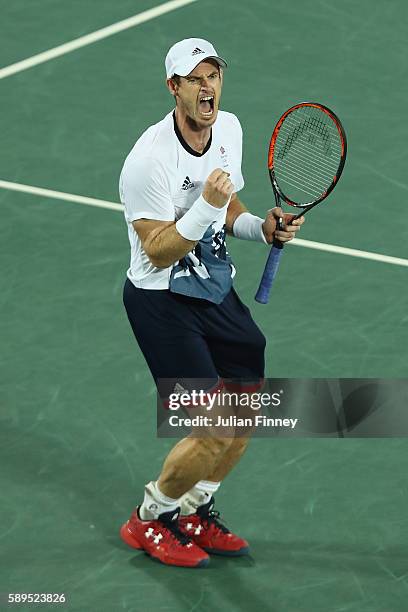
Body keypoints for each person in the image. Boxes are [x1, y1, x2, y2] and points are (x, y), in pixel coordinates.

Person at [119, 38, 304, 568]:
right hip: (160, 302)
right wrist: (205, 207)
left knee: (247, 407)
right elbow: (157, 252)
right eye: (195, 78)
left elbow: (230, 207)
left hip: (211, 287)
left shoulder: (230, 129)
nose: (208, 88)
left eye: (214, 76)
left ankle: (196, 505)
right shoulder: (148, 159)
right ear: (173, 86)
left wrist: (258, 227)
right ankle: (150, 518)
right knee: (212, 423)